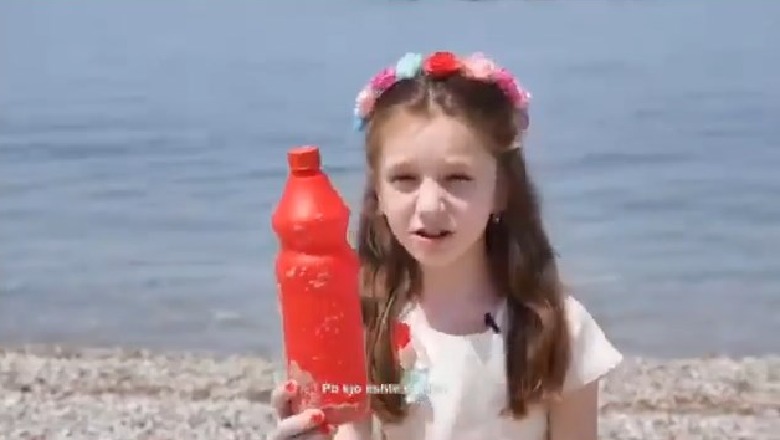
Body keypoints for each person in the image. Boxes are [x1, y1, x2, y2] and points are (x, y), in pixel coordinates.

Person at [266, 51, 623, 440]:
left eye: (457, 178)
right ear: (378, 194)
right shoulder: (364, 322)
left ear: (501, 190)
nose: (430, 206)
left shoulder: (556, 328)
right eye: (404, 179)